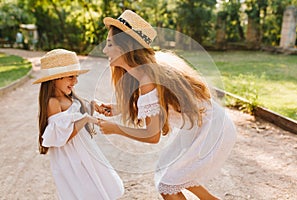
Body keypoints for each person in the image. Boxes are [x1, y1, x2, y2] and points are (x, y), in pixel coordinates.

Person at [96, 10, 236, 200]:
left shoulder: (148, 79)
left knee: (168, 183)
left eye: (109, 44)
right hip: (204, 125)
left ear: (125, 46)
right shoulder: (145, 72)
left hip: (212, 130)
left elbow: (151, 135)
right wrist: (118, 108)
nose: (104, 50)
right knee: (174, 175)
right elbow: (159, 102)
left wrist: (115, 129)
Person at [33, 49, 124, 200]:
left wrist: (94, 105)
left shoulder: (69, 98)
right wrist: (86, 119)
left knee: (97, 186)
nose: (75, 81)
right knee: (84, 191)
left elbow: (76, 111)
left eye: (75, 77)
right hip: (71, 158)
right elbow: (63, 135)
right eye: (71, 77)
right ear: (55, 79)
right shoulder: (53, 103)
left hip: (84, 152)